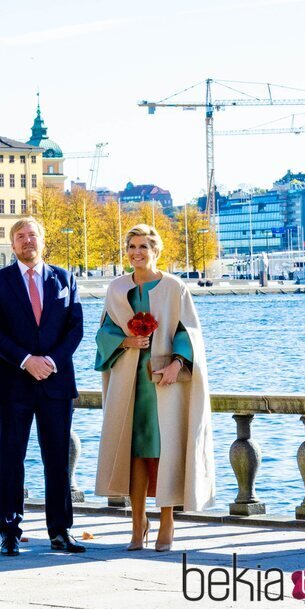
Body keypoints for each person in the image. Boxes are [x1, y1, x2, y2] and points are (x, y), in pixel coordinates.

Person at [94, 224, 215, 552]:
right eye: (132, 246)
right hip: (129, 384)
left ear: (156, 250)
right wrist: (127, 340)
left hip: (163, 384)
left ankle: (167, 522)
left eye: (143, 246)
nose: (136, 252)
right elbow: (103, 334)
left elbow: (187, 331)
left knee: (163, 453)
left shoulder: (175, 287)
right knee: (133, 455)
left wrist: (177, 364)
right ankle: (137, 524)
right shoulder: (116, 289)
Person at [0, 218, 85, 555]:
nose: (28, 241)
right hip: (14, 383)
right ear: (12, 245)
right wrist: (27, 360)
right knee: (11, 459)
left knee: (58, 460)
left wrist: (50, 362)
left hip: (56, 384)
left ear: (43, 240)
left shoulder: (65, 278)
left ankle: (60, 531)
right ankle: (9, 532)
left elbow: (75, 330)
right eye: (21, 237)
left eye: (33, 235)